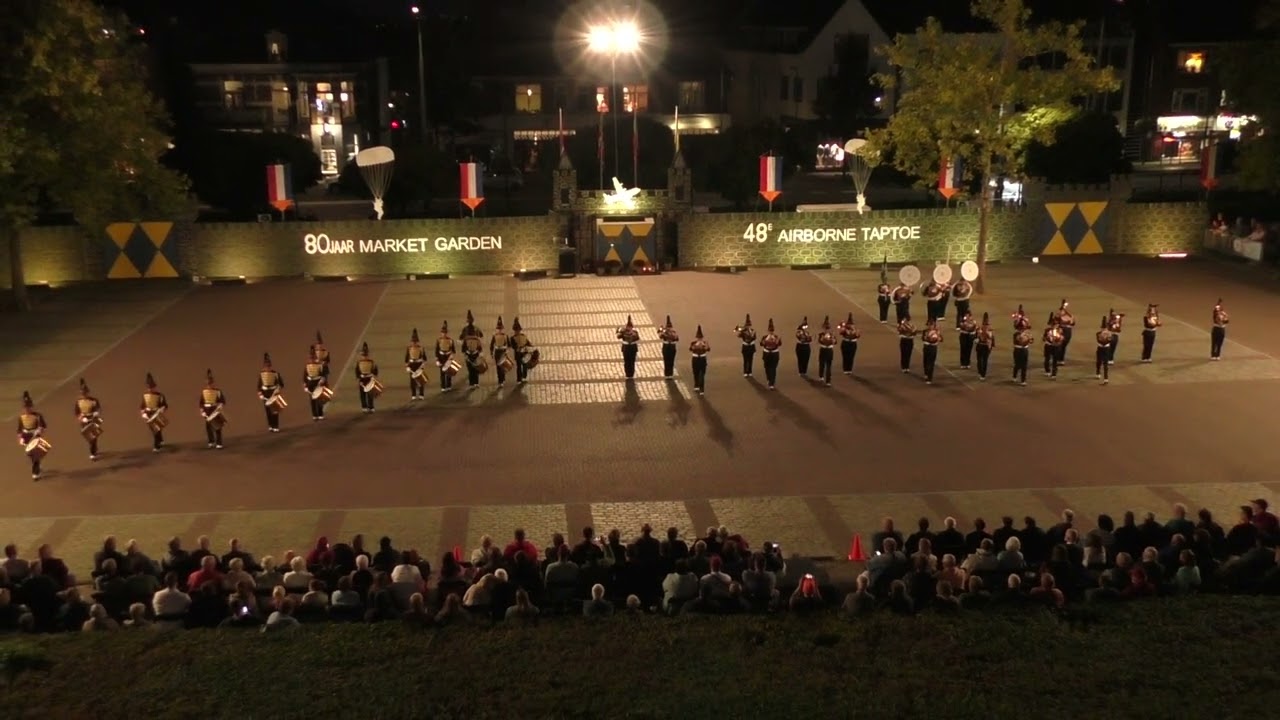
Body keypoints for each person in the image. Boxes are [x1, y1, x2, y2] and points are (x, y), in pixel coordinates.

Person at [17, 391, 48, 480]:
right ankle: (37, 464)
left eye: (28, 407)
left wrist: (39, 430)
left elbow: (43, 426)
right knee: (30, 455)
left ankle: (35, 473)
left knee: (35, 454)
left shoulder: (38, 416)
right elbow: (19, 429)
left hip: (35, 436)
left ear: (31, 407)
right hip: (26, 437)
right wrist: (20, 438)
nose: (27, 409)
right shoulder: (21, 417)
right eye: (25, 407)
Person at [74, 378, 103, 461]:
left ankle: (93, 453)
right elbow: (77, 412)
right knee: (90, 438)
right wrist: (82, 418)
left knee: (93, 437)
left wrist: (96, 413)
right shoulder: (78, 402)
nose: (84, 394)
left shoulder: (94, 401)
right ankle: (94, 447)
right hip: (84, 421)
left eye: (85, 393)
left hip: (93, 420)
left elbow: (98, 409)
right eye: (82, 393)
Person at [139, 372, 168, 453]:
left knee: (156, 430)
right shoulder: (145, 396)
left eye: (152, 388)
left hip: (157, 414)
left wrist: (161, 409)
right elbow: (142, 406)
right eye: (149, 388)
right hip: (149, 415)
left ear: (155, 387)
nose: (150, 390)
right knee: (155, 430)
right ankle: (160, 440)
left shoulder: (160, 395)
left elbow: (165, 405)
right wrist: (143, 413)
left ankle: (156, 446)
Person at [256, 353, 284, 433]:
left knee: (275, 411)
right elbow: (259, 386)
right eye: (266, 366)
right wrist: (260, 394)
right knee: (268, 411)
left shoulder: (275, 374)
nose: (267, 368)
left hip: (273, 394)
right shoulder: (261, 375)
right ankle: (271, 425)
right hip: (265, 394)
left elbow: (281, 384)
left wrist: (278, 389)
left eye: (268, 366)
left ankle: (276, 426)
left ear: (270, 366)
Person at [199, 369, 226, 449]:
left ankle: (219, 443)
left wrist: (219, 407)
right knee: (208, 427)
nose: (209, 386)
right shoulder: (204, 392)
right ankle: (211, 441)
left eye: (210, 384)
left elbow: (222, 401)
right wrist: (202, 411)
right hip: (207, 411)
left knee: (217, 427)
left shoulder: (218, 391)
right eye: (208, 384)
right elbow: (201, 403)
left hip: (215, 410)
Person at [303, 347, 329, 421]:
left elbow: (323, 375)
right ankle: (314, 415)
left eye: (313, 358)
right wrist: (305, 384)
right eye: (311, 358)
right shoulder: (307, 366)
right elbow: (305, 376)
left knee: (319, 399)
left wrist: (322, 381)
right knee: (312, 400)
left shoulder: (320, 365)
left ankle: (320, 414)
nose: (312, 360)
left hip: (318, 383)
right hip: (310, 384)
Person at [461, 311, 486, 389]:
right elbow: (481, 337)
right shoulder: (476, 329)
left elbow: (461, 341)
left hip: (472, 353)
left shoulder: (465, 330)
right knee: (473, 368)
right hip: (472, 353)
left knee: (472, 369)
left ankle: (473, 383)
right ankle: (474, 383)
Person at [354, 342, 380, 412]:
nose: (365, 357)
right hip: (362, 379)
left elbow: (375, 370)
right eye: (363, 355)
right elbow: (357, 370)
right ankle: (364, 407)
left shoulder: (372, 362)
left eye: (366, 355)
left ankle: (371, 406)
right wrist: (359, 376)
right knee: (362, 394)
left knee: (370, 394)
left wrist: (373, 375)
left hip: (369, 379)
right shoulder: (359, 362)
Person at [404, 328, 428, 400]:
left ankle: (421, 394)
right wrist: (407, 366)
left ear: (417, 342)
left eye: (415, 341)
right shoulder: (409, 348)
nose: (414, 343)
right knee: (412, 381)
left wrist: (423, 364)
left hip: (419, 365)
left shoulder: (421, 348)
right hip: (412, 365)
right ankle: (413, 394)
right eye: (413, 341)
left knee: (421, 380)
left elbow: (425, 358)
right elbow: (406, 358)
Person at [510, 318, 534, 384]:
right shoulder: (512, 338)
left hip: (524, 353)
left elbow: (527, 342)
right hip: (518, 354)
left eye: (518, 330)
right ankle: (519, 379)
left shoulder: (523, 336)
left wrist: (531, 346)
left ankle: (524, 376)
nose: (517, 331)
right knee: (519, 366)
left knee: (525, 365)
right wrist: (517, 348)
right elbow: (513, 346)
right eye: (516, 330)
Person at [435, 322, 457, 393]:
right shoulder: (438, 340)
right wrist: (437, 359)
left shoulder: (450, 340)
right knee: (442, 372)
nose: (444, 334)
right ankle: (443, 386)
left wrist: (451, 356)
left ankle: (448, 385)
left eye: (445, 333)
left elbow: (453, 350)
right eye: (443, 333)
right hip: (441, 357)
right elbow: (437, 350)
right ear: (441, 333)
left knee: (449, 372)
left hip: (448, 356)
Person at [617, 315, 640, 380]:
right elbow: (618, 337)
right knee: (626, 361)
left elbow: (637, 338)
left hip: (632, 347)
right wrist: (621, 332)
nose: (629, 328)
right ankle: (627, 374)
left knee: (632, 361)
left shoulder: (635, 332)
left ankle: (631, 374)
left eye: (630, 327)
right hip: (626, 348)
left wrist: (631, 334)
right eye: (628, 327)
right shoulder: (623, 332)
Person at [760, 319, 781, 389]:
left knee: (773, 368)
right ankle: (769, 379)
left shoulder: (776, 337)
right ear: (768, 331)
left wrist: (776, 340)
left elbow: (779, 344)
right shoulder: (765, 337)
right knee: (766, 367)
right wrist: (765, 340)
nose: (771, 332)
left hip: (774, 354)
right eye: (770, 331)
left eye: (772, 331)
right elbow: (761, 344)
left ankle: (772, 383)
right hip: (767, 354)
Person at [490, 317, 511, 388]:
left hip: (503, 352)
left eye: (501, 329)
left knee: (503, 366)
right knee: (498, 367)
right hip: (497, 352)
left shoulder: (505, 336)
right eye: (498, 329)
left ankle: (502, 378)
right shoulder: (494, 336)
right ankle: (500, 380)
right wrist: (491, 353)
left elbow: (509, 345)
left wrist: (507, 350)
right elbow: (492, 344)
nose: (499, 330)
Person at [689, 326, 710, 395]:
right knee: (695, 373)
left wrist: (704, 345)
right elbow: (691, 349)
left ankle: (702, 389)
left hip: (702, 359)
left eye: (700, 338)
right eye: (698, 338)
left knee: (702, 374)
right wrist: (696, 345)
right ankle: (696, 384)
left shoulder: (705, 343)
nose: (699, 339)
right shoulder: (693, 343)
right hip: (695, 359)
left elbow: (708, 349)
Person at [815, 317, 836, 385]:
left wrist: (832, 340)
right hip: (823, 349)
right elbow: (819, 341)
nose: (826, 330)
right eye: (825, 328)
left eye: (827, 328)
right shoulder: (821, 334)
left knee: (829, 366)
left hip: (829, 350)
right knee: (822, 364)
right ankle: (821, 376)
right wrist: (824, 339)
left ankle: (828, 380)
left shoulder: (832, 335)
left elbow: (835, 342)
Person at [921, 319, 942, 385]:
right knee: (925, 361)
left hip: (933, 348)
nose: (930, 326)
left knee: (931, 363)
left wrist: (938, 336)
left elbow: (941, 339)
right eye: (929, 325)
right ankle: (926, 373)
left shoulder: (937, 332)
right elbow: (923, 338)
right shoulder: (925, 331)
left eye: (931, 325)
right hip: (926, 347)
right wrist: (929, 337)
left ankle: (929, 377)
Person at [1042, 313, 1063, 380]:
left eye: (1056, 325)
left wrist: (1058, 339)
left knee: (1055, 360)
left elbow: (1061, 339)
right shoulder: (1047, 330)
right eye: (1053, 325)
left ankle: (1054, 374)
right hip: (1048, 346)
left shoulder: (1059, 331)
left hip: (1056, 347)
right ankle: (1047, 370)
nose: (1055, 326)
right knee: (1047, 359)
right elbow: (1043, 338)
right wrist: (1047, 338)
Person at [1013, 320, 1033, 386]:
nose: (1022, 329)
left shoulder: (1027, 334)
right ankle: (1014, 376)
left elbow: (1031, 341)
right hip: (1018, 350)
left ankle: (1023, 380)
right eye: (1021, 328)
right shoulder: (1016, 334)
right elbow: (1020, 341)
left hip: (1024, 350)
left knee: (1024, 366)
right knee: (1017, 365)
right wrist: (1025, 336)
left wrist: (1029, 338)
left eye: (1023, 328)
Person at [975, 313, 995, 381]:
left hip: (985, 346)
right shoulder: (980, 329)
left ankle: (983, 374)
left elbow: (991, 338)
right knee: (980, 360)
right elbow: (977, 337)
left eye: (987, 324)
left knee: (984, 360)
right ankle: (981, 372)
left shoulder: (989, 330)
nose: (986, 325)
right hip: (981, 345)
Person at [1056, 299, 1076, 364]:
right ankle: (1059, 358)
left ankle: (1060, 358)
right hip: (1061, 330)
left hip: (1066, 331)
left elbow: (1073, 323)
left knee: (1063, 345)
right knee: (1060, 345)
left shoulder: (1069, 315)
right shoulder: (1060, 314)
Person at [1096, 315, 1113, 385]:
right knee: (1099, 361)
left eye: (1105, 328)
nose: (1104, 330)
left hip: (1106, 349)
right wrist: (1105, 338)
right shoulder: (1098, 333)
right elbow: (1099, 341)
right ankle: (1098, 372)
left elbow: (1109, 341)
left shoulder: (1109, 334)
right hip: (1100, 348)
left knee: (1105, 364)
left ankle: (1106, 378)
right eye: (1103, 328)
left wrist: (1106, 339)